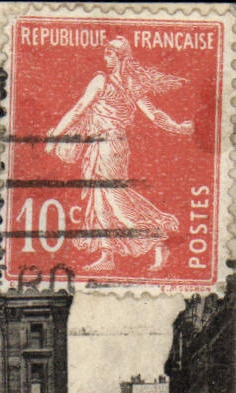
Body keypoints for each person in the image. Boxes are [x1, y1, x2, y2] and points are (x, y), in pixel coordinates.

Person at [44, 36, 195, 272]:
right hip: (110, 144)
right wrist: (177, 127)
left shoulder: (101, 81)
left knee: (115, 199)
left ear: (117, 57)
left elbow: (78, 110)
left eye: (108, 54)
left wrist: (54, 137)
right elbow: (154, 115)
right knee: (100, 199)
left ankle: (157, 237)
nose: (105, 58)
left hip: (107, 144)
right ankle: (107, 255)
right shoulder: (132, 84)